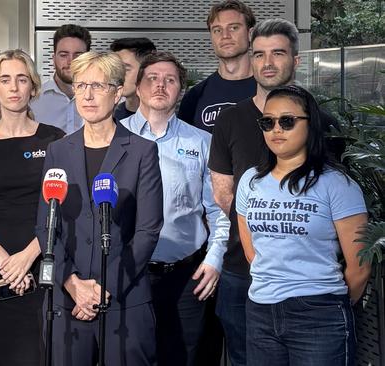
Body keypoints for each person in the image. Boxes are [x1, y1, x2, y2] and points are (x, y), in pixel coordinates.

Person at [208, 19, 341, 366]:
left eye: (278, 53)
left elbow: (337, 206)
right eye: (259, 54)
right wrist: (265, 242)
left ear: (295, 61)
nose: (267, 63)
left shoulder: (324, 123)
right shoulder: (230, 120)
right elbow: (225, 196)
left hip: (312, 284)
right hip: (242, 271)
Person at [35, 51, 164, 366]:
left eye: (97, 86)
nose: (87, 95)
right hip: (67, 303)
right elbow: (45, 225)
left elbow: (148, 231)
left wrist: (103, 287)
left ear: (118, 92)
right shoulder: (58, 151)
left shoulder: (141, 152)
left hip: (124, 301)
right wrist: (73, 284)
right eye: (80, 86)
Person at [236, 85, 370, 365]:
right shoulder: (250, 181)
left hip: (319, 312)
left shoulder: (337, 185)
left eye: (287, 121)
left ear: (311, 124)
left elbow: (359, 267)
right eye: (267, 122)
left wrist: (331, 308)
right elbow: (252, 252)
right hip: (261, 310)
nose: (276, 129)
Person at [120, 52, 230, 366]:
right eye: (152, 78)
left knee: (185, 357)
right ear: (138, 88)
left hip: (187, 275)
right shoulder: (115, 138)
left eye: (170, 80)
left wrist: (215, 259)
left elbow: (219, 209)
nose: (160, 85)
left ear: (180, 90)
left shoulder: (202, 142)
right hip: (129, 275)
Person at [0, 49, 65, 366]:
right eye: (6, 80)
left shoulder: (55, 140)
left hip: (41, 258)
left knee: (39, 351)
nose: (13, 87)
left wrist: (27, 257)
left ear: (33, 87)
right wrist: (4, 260)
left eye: (21, 79)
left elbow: (62, 207)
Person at [177, 0, 256, 133]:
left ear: (250, 33)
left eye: (234, 28)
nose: (225, 36)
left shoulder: (270, 90)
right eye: (217, 30)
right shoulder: (194, 97)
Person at [30, 24, 91, 133]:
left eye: (78, 55)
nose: (70, 61)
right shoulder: (33, 100)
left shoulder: (102, 98)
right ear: (53, 59)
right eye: (63, 55)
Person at [109, 37, 157, 121]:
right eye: (114, 69)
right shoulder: (111, 115)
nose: (116, 75)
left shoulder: (163, 118)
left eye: (125, 69)